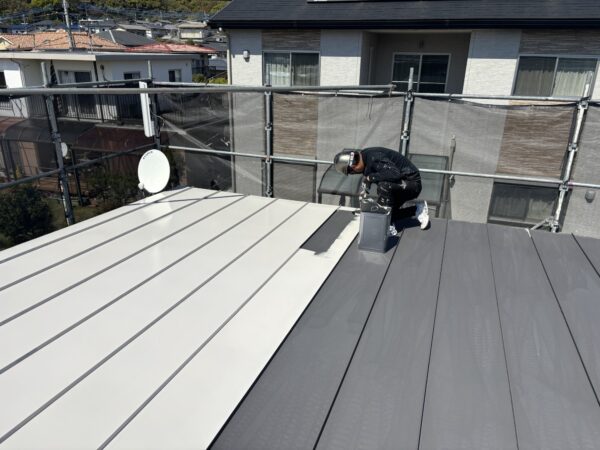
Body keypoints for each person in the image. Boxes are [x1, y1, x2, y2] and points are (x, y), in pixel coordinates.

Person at [333, 147, 430, 230]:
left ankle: (385, 228)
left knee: (384, 187)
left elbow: (394, 174)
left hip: (412, 184)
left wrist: (370, 178)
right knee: (382, 215)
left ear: (352, 166)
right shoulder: (366, 157)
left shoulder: (373, 157)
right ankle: (417, 209)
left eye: (350, 171)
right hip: (401, 184)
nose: (353, 172)